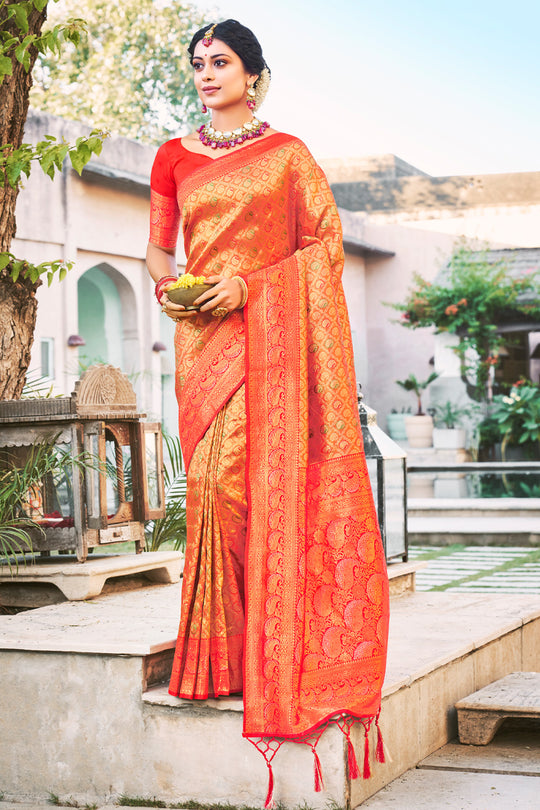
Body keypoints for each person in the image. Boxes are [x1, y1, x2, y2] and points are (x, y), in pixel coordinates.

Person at [146, 19, 389, 805]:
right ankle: (213, 660)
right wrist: (165, 286)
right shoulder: (173, 156)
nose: (206, 73)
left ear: (254, 74)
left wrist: (253, 287)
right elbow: (156, 248)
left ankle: (270, 654)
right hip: (202, 342)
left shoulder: (289, 156)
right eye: (198, 64)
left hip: (268, 339)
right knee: (212, 492)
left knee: (256, 491)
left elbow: (325, 243)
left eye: (220, 62)